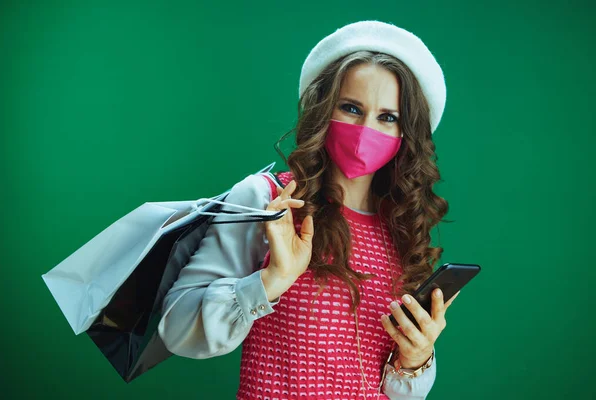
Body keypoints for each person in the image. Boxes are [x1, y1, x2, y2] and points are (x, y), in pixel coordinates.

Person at [158, 20, 459, 399]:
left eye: (388, 117)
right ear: (322, 109)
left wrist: (417, 357)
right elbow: (177, 328)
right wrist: (272, 280)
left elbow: (399, 391)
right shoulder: (268, 200)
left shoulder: (399, 226)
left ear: (406, 133)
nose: (367, 129)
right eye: (351, 108)